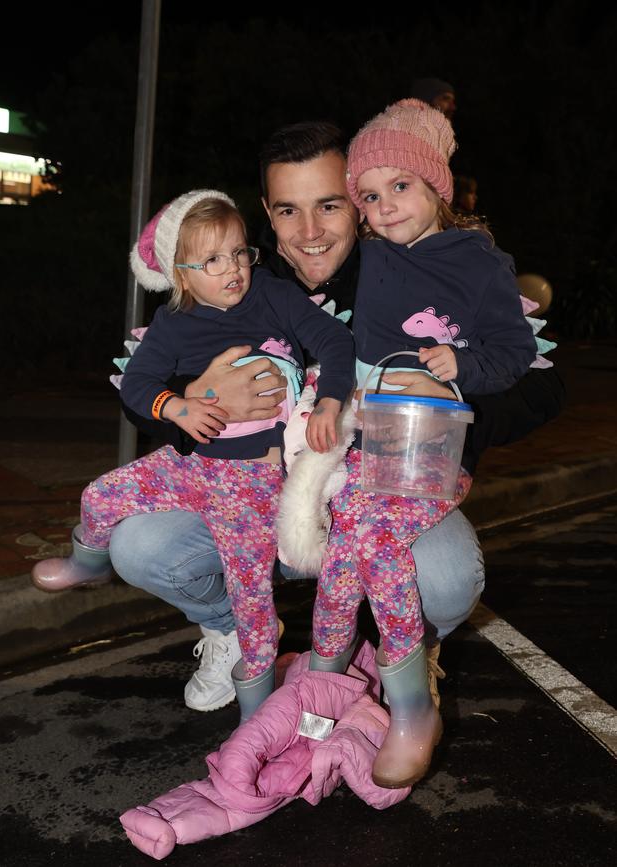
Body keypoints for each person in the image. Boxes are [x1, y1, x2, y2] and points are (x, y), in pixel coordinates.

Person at [107, 121, 563, 716]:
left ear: (360, 203)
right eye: (289, 211)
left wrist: (445, 399)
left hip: (380, 501)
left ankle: (402, 649)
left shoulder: (410, 269)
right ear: (266, 215)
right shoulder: (237, 281)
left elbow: (545, 384)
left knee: (448, 578)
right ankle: (230, 632)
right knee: (139, 542)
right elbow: (140, 379)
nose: (311, 232)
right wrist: (194, 399)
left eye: (330, 205)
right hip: (256, 504)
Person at [31, 189, 354, 721]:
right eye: (212, 261)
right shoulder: (175, 323)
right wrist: (177, 407)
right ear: (182, 276)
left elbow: (337, 343)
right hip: (190, 466)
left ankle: (257, 715)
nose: (232, 269)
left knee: (252, 604)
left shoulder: (273, 295)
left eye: (238, 252)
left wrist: (330, 403)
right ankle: (85, 563)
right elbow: (137, 386)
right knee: (100, 494)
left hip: (252, 484)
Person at [299, 98, 537, 789]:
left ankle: (409, 710)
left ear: (437, 184)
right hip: (364, 452)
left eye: (400, 186)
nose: (385, 206)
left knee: (379, 553)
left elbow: (514, 350)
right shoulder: (368, 258)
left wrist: (463, 367)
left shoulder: (480, 262)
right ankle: (322, 688)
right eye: (369, 196)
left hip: (429, 454)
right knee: (346, 551)